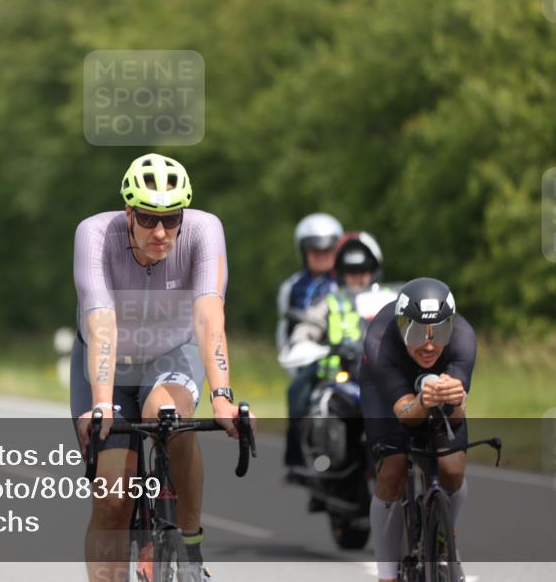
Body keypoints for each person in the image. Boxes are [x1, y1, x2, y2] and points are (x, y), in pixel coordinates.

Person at [71, 153, 254, 582]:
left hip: (172, 352)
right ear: (128, 213)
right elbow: (101, 323)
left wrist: (222, 397)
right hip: (107, 362)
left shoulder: (205, 230)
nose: (160, 232)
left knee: (171, 419)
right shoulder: (94, 234)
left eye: (171, 220)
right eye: (148, 219)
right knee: (113, 498)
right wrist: (102, 405)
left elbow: (209, 317)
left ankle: (188, 549)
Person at [361, 278, 474, 582]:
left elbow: (456, 419)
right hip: (387, 395)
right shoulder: (380, 339)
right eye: (416, 333)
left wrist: (454, 400)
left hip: (431, 391)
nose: (429, 345)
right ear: (401, 327)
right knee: (392, 468)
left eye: (439, 332)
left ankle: (445, 535)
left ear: (451, 327)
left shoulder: (463, 338)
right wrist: (423, 401)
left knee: (452, 469)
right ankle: (387, 575)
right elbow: (405, 416)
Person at [282, 231, 389, 472]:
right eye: (351, 272)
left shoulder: (389, 300)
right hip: (338, 377)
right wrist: (303, 342)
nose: (357, 278)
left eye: (363, 271)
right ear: (341, 274)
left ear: (373, 272)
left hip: (379, 376)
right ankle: (304, 458)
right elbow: (307, 327)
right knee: (301, 395)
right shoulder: (330, 301)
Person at [276, 212, 343, 365]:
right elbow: (284, 329)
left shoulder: (345, 282)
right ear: (304, 251)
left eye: (327, 250)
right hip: (304, 359)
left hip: (341, 356)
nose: (322, 256)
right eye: (315, 250)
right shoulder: (292, 286)